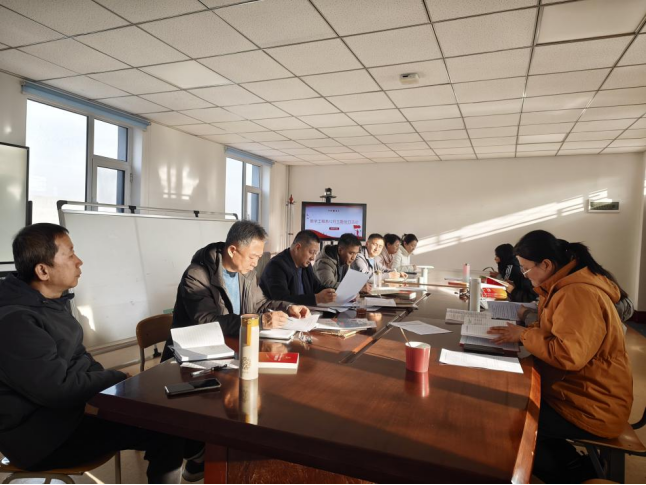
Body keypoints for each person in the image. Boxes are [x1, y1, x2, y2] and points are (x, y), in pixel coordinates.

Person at [0, 224, 190, 484]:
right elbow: (57, 389)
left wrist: (113, 387)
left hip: (67, 416)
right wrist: (117, 377)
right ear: (43, 270)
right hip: (40, 439)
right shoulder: (16, 321)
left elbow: (80, 357)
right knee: (168, 430)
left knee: (167, 417)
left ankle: (196, 456)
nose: (79, 261)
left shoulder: (51, 303)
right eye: (70, 255)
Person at [488, 230, 634, 484]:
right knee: (509, 403)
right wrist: (524, 334)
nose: (524, 275)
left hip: (592, 405)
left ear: (546, 264)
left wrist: (524, 335)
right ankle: (572, 464)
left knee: (508, 419)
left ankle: (576, 473)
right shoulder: (562, 286)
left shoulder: (577, 293)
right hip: (575, 392)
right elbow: (552, 332)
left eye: (526, 268)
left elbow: (568, 355)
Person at [163, 221, 310, 362]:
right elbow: (208, 322)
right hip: (194, 355)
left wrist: (288, 308)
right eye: (252, 257)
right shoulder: (197, 276)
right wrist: (259, 321)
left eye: (258, 257)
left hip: (232, 347)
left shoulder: (246, 273)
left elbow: (260, 304)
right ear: (232, 251)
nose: (255, 263)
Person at [260, 230, 336, 307]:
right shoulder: (276, 266)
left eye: (315, 253)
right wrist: (316, 299)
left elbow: (317, 287)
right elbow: (281, 300)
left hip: (306, 311)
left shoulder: (305, 265)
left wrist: (332, 293)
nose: (313, 258)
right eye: (311, 252)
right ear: (298, 247)